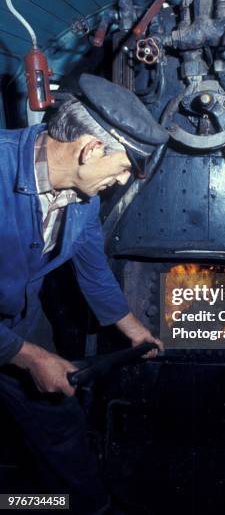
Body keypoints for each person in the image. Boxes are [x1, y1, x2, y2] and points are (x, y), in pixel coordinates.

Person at [0, 73, 169, 513]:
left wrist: (134, 332)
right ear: (91, 149)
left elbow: (92, 269)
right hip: (15, 341)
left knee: (58, 418)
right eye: (123, 169)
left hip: (19, 322)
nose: (121, 183)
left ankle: (83, 507)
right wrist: (31, 358)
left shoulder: (84, 197)